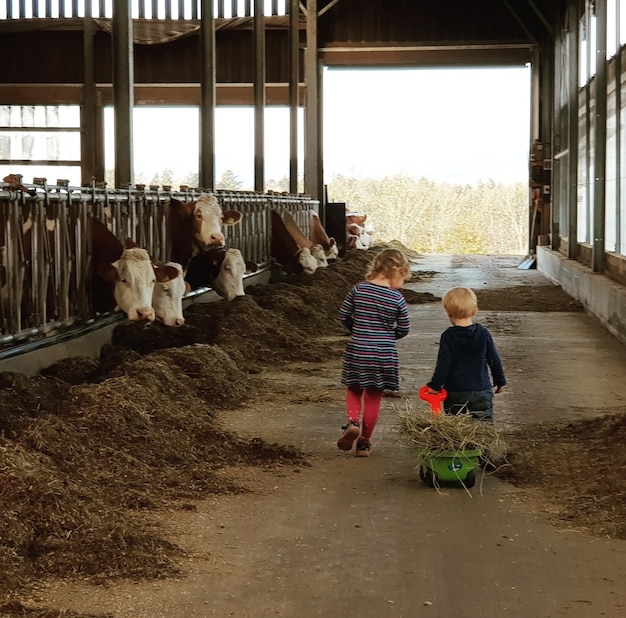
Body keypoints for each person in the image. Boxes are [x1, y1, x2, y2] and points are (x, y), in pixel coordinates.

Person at [337, 248, 411, 456]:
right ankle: (364, 443)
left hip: (358, 349)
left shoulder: (358, 289)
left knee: (354, 388)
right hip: (384, 353)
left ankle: (352, 422)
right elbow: (404, 328)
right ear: (398, 271)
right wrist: (387, 337)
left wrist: (357, 330)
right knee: (373, 397)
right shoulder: (397, 298)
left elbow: (343, 315)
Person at [426, 286, 506, 422]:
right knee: (482, 424)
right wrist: (500, 381)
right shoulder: (483, 333)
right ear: (475, 310)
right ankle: (480, 443)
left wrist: (435, 386)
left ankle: (457, 443)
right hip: (481, 389)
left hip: (455, 391)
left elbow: (443, 365)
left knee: (455, 424)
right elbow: (494, 359)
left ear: (447, 311)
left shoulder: (448, 336)